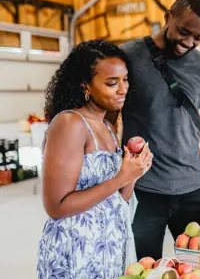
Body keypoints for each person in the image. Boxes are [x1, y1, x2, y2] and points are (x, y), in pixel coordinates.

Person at [119, 0, 200, 260]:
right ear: (168, 16)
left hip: (194, 190)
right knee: (146, 268)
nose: (188, 42)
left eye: (198, 38)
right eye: (183, 31)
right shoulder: (128, 57)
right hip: (142, 192)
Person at [37, 40, 153, 278]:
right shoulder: (70, 123)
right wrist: (122, 177)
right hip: (76, 252)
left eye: (125, 80)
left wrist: (133, 173)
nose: (123, 89)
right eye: (112, 83)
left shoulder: (108, 127)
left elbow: (120, 199)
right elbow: (56, 207)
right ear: (85, 86)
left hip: (106, 250)